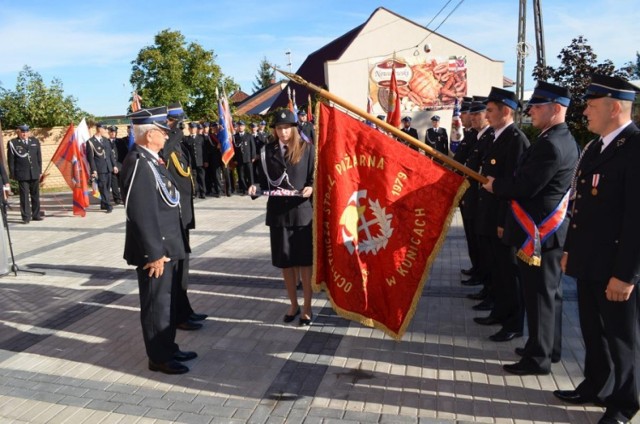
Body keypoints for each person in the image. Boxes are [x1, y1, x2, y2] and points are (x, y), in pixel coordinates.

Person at [555, 74, 640, 424]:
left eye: (591, 105)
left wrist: (625, 274)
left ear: (615, 107)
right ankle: (594, 384)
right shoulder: (597, 147)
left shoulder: (635, 147)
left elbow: (636, 219)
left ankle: (624, 403)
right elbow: (581, 208)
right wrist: (569, 249)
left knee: (622, 338)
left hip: (616, 266)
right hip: (589, 261)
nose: (585, 112)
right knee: (592, 330)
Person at [482, 81, 579, 375]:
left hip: (540, 233)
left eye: (537, 106)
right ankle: (548, 348)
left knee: (540, 298)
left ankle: (538, 358)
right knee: (549, 296)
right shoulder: (557, 138)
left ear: (556, 109)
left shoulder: (551, 144)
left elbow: (526, 185)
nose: (531, 111)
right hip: (543, 234)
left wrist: (495, 185)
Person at [121, 106, 195, 375]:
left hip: (168, 245)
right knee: (157, 306)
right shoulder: (139, 163)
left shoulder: (152, 159)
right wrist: (154, 253)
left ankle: (169, 347)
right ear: (150, 133)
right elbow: (141, 213)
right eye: (163, 131)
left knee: (169, 302)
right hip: (157, 251)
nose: (167, 136)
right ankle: (158, 357)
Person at [248, 109, 315, 325]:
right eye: (279, 128)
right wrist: (255, 187)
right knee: (286, 263)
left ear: (294, 128)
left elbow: (315, 177)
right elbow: (263, 181)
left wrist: (311, 187)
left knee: (304, 263)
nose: (283, 132)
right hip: (278, 214)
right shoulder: (267, 150)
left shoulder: (307, 149)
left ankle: (307, 306)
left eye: (287, 128)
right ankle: (293, 304)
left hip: (302, 213)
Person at [473, 87, 529, 343]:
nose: (487, 114)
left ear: (506, 111)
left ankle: (514, 322)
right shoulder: (498, 137)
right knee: (498, 270)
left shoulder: (516, 140)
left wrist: (502, 222)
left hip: (502, 219)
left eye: (490, 110)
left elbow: (514, 186)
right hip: (490, 214)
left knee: (509, 273)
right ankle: (500, 311)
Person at [162, 102, 207, 332]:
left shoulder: (179, 145)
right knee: (178, 268)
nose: (181, 126)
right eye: (176, 122)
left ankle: (185, 309)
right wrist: (174, 131)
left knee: (184, 267)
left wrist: (179, 134)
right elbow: (163, 153)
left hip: (184, 215)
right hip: (175, 215)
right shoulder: (167, 146)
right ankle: (179, 315)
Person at [457, 99, 493, 295]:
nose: (472, 118)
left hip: (479, 198)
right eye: (471, 114)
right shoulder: (477, 136)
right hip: (470, 196)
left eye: (476, 114)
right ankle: (478, 271)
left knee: (482, 244)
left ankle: (483, 277)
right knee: (473, 239)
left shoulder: (487, 137)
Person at [7, 124, 43, 223]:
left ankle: (36, 215)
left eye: (26, 132)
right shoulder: (13, 143)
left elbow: (39, 158)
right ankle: (26, 217)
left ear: (29, 132)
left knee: (35, 195)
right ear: (18, 132)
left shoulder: (35, 141)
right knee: (24, 196)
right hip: (22, 174)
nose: (24, 134)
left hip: (34, 172)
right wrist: (12, 174)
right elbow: (11, 160)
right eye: (22, 132)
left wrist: (39, 171)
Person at [86, 122, 117, 213]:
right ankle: (108, 205)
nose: (106, 131)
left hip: (108, 167)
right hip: (99, 168)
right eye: (105, 129)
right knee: (102, 187)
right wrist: (94, 170)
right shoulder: (91, 142)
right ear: (99, 129)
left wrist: (114, 165)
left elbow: (110, 154)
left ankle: (103, 204)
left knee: (107, 187)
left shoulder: (105, 140)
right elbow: (90, 158)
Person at [183, 122, 206, 199]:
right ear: (189, 129)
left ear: (196, 129)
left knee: (202, 177)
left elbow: (205, 150)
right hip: (192, 162)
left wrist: (206, 161)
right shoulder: (186, 139)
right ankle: (195, 192)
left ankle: (203, 192)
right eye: (191, 128)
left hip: (200, 161)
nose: (192, 130)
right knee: (193, 178)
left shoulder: (201, 138)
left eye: (194, 128)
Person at [233, 120, 256, 195]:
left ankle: (251, 189)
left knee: (250, 174)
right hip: (239, 159)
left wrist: (253, 156)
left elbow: (253, 147)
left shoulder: (249, 136)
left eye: (242, 126)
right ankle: (243, 189)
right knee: (241, 175)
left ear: (244, 127)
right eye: (239, 126)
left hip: (248, 158)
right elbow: (234, 149)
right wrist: (235, 159)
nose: (240, 127)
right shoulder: (235, 137)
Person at [107, 126, 123, 205]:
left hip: (120, 164)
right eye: (111, 132)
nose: (113, 133)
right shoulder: (105, 142)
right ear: (108, 133)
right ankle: (117, 198)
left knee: (122, 182)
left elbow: (124, 153)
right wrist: (113, 166)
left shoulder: (121, 141)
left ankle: (123, 197)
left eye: (114, 132)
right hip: (111, 165)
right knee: (114, 183)